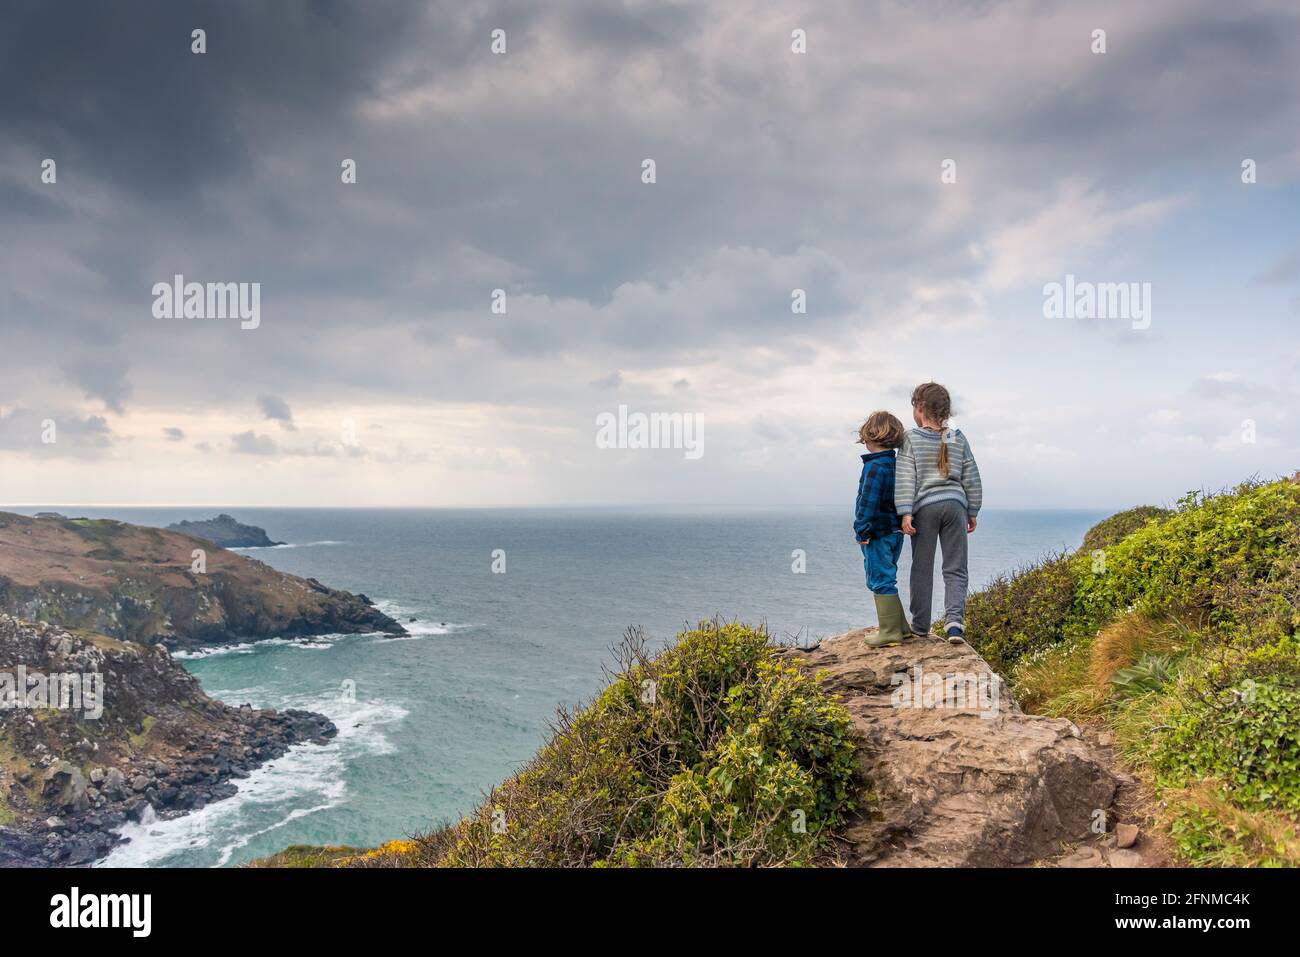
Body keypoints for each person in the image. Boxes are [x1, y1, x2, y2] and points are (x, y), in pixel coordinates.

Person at [896, 382, 982, 643]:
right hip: (955, 506)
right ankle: (954, 625)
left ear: (919, 408)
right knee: (955, 568)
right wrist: (973, 509)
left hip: (925, 509)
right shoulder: (958, 437)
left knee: (921, 568)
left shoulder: (911, 438)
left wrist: (905, 512)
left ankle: (920, 625)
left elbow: (905, 477)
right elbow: (972, 476)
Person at [853, 411, 910, 647]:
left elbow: (869, 501)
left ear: (870, 435)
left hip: (878, 532)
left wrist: (861, 530)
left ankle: (889, 632)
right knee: (888, 577)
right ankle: (902, 628)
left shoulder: (875, 467)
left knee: (879, 579)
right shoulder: (897, 465)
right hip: (895, 532)